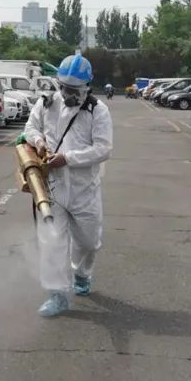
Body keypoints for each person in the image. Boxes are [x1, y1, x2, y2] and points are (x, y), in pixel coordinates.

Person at [24, 53, 113, 317]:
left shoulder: (98, 110)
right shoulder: (47, 103)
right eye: (64, 87)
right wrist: (39, 141)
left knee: (88, 242)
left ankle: (82, 275)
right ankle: (56, 294)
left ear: (87, 86)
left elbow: (103, 148)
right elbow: (30, 127)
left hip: (84, 189)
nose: (68, 93)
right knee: (51, 240)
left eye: (74, 89)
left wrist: (68, 158)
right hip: (52, 186)